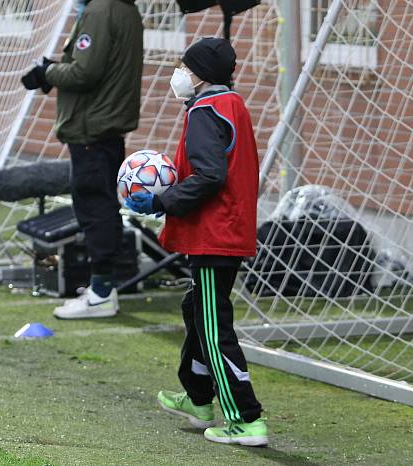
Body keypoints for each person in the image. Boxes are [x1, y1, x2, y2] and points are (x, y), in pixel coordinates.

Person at [125, 37, 268, 447]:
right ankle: (199, 399)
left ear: (200, 74)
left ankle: (245, 417)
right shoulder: (231, 104)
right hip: (226, 231)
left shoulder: (206, 111)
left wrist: (161, 200)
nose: (179, 74)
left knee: (213, 326)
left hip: (215, 235)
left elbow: (209, 176)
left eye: (184, 67)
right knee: (196, 310)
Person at [21, 0, 143, 319]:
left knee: (95, 208)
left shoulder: (99, 11)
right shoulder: (125, 9)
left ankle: (101, 293)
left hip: (93, 127)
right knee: (102, 205)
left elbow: (85, 72)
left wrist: (46, 71)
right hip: (106, 124)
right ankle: (103, 288)